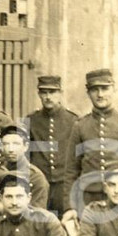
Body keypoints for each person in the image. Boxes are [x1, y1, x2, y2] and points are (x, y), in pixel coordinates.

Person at [62, 68, 118, 223]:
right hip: (88, 199)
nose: (100, 94)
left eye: (105, 88)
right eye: (95, 90)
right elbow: (71, 170)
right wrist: (70, 207)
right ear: (88, 93)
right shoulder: (80, 126)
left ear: (114, 89)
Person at [25, 75, 79, 214]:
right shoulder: (30, 120)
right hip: (39, 184)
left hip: (64, 185)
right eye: (44, 92)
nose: (48, 97)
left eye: (52, 92)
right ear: (39, 94)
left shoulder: (73, 121)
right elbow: (25, 156)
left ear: (60, 93)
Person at [0, 124, 50, 209]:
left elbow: (37, 214)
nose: (10, 149)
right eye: (6, 144)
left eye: (16, 144)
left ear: (25, 146)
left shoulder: (35, 177)